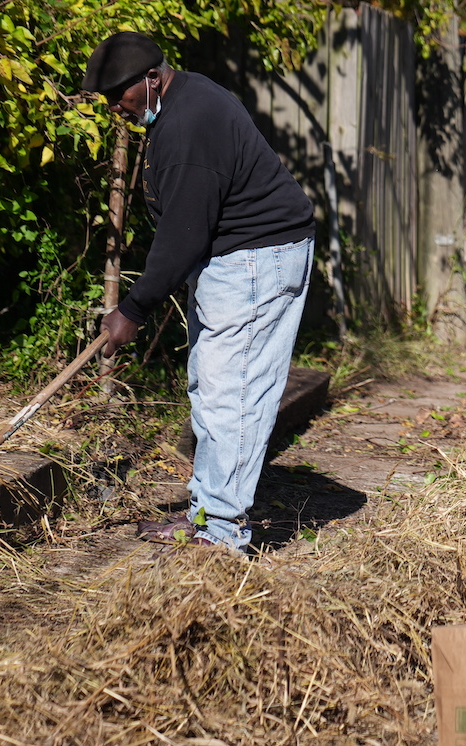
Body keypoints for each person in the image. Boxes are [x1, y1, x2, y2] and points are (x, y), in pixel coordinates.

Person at [83, 32, 316, 553]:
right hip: (239, 257)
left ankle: (221, 531)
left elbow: (183, 233)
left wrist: (133, 309)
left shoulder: (187, 123)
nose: (114, 109)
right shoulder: (181, 100)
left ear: (151, 78)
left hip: (257, 259)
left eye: (118, 95)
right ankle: (208, 515)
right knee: (213, 387)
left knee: (230, 393)